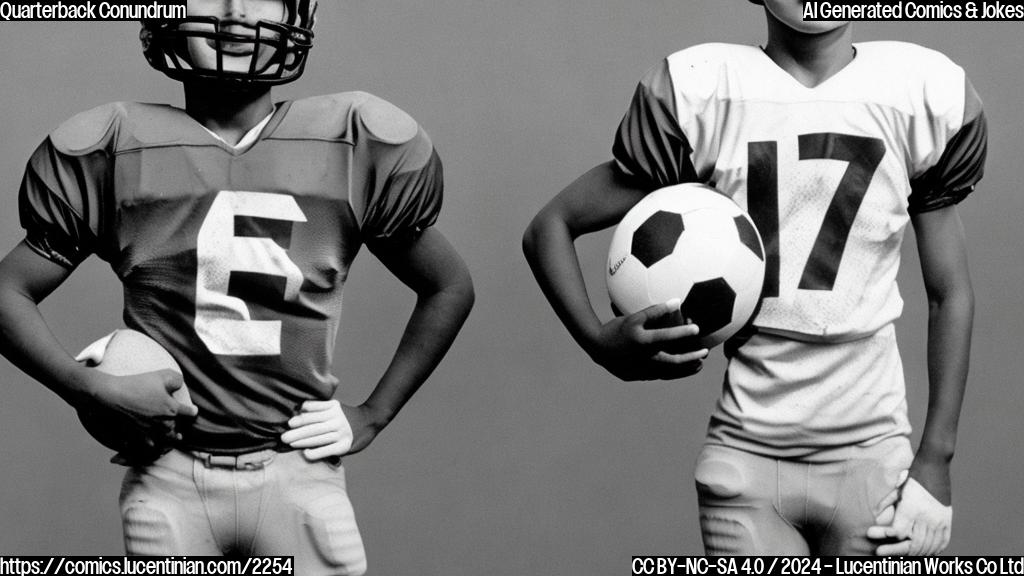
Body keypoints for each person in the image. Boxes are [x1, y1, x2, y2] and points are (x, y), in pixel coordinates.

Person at [0, 0, 474, 572]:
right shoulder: (113, 149)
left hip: (296, 468)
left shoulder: (355, 142)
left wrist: (372, 414)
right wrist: (85, 387)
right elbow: (7, 291)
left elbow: (449, 286)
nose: (236, 12)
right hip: (168, 473)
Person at [522, 0, 984, 556]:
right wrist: (598, 341)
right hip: (745, 462)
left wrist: (936, 459)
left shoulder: (919, 94)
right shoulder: (705, 96)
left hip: (877, 462)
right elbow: (550, 225)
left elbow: (950, 293)